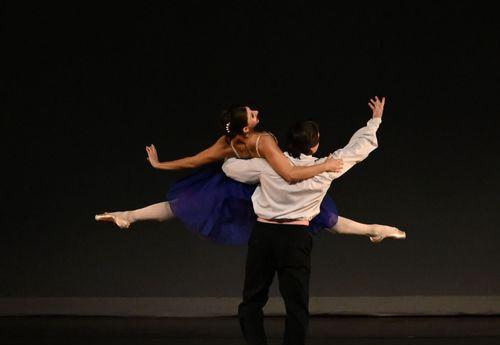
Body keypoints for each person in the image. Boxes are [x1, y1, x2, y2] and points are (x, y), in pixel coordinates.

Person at [221, 96, 400, 345]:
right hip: (295, 240)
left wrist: (241, 144)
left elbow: (230, 168)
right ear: (315, 146)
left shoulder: (267, 166)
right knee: (297, 308)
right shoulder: (326, 167)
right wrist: (375, 120)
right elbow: (358, 150)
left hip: (264, 237)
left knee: (251, 301)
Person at [95, 101, 404, 243]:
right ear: (247, 126)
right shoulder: (265, 141)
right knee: (325, 218)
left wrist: (159, 165)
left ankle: (129, 215)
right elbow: (289, 173)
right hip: (259, 189)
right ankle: (375, 229)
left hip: (238, 185)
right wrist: (325, 164)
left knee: (182, 206)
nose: (257, 112)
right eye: (253, 113)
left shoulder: (226, 143)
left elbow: (194, 161)